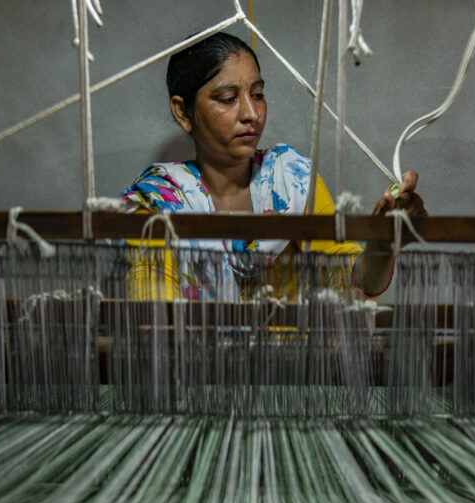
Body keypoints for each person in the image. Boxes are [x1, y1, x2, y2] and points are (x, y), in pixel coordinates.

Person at [120, 31, 425, 301]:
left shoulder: (292, 181)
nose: (251, 113)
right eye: (227, 98)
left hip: (289, 363)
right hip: (197, 363)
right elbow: (156, 316)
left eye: (257, 94)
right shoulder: (156, 204)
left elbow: (348, 284)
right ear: (183, 112)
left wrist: (382, 243)